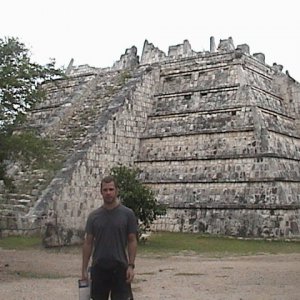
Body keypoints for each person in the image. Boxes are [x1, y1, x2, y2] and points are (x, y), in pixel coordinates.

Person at [81, 175, 138, 300]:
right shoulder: (93, 217)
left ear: (117, 191)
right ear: (101, 192)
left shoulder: (128, 214)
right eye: (105, 190)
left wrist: (131, 266)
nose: (108, 193)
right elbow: (88, 243)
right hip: (99, 268)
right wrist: (84, 269)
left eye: (111, 189)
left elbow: (132, 240)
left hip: (120, 268)